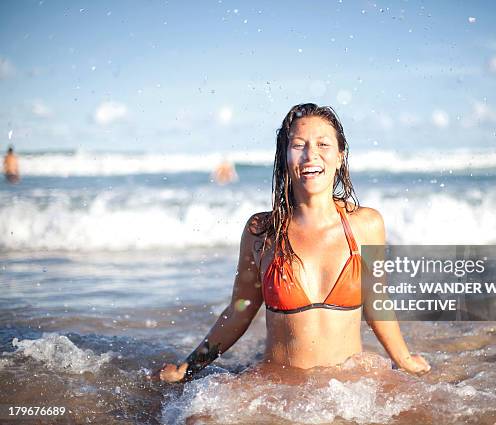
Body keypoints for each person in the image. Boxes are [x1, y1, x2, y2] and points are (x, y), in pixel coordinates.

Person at [154, 103, 430, 383]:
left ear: (340, 157)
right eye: (299, 145)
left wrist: (404, 359)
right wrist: (188, 367)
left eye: (323, 144)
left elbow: (376, 300)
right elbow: (240, 310)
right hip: (279, 387)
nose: (311, 155)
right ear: (285, 157)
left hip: (349, 388)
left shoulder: (367, 225)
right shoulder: (262, 231)